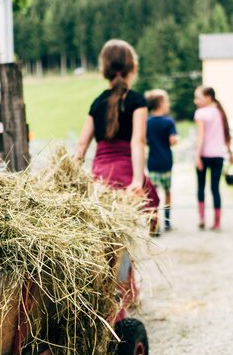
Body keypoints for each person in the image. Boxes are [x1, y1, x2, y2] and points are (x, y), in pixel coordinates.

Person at [75, 39, 159, 233]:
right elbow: (137, 141)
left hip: (100, 180)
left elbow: (81, 146)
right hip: (126, 175)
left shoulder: (97, 103)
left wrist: (69, 179)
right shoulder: (137, 101)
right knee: (145, 215)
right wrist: (137, 181)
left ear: (104, 69)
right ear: (133, 67)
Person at [193, 85, 233, 231]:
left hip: (204, 155)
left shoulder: (200, 113)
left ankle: (202, 219)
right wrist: (231, 154)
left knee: (201, 188)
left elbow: (201, 136)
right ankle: (217, 223)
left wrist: (197, 156)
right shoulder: (220, 112)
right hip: (218, 156)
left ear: (208, 98)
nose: (195, 101)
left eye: (198, 97)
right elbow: (226, 135)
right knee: (215, 189)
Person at [145, 89, 178, 231]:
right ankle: (167, 223)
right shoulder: (168, 121)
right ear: (160, 103)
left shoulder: (147, 122)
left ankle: (154, 225)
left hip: (153, 162)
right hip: (166, 162)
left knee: (154, 194)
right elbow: (172, 141)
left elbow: (145, 140)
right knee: (167, 191)